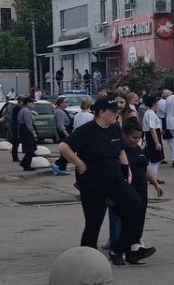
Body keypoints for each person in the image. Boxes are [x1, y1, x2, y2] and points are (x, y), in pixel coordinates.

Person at [59, 96, 148, 266]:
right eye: (113, 112)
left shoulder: (115, 129)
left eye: (117, 112)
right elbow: (63, 147)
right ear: (101, 112)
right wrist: (79, 163)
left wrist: (127, 170)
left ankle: (118, 249)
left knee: (135, 206)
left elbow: (121, 151)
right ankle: (87, 257)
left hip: (114, 179)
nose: (116, 115)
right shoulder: (86, 131)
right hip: (92, 182)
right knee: (94, 221)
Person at [107, 121, 162, 255]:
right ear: (124, 135)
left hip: (141, 190)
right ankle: (120, 250)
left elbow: (145, 168)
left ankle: (134, 249)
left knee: (139, 221)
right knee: (128, 222)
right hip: (127, 192)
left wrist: (155, 183)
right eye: (133, 137)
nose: (136, 140)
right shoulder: (119, 151)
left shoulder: (138, 149)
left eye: (139, 138)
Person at [140, 94, 164, 180]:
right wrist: (157, 142)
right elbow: (152, 128)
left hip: (152, 135)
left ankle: (153, 176)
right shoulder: (150, 113)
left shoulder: (150, 113)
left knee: (155, 159)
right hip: (151, 136)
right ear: (154, 103)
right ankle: (153, 177)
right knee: (155, 159)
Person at [16, 95, 39, 171]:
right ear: (28, 103)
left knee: (30, 148)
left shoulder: (23, 110)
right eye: (32, 103)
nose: (34, 104)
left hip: (23, 130)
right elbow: (28, 123)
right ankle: (25, 164)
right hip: (26, 131)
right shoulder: (26, 111)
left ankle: (25, 164)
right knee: (30, 148)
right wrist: (33, 133)